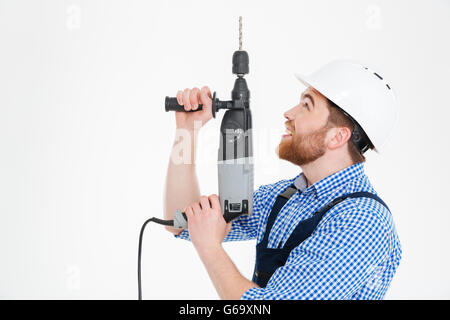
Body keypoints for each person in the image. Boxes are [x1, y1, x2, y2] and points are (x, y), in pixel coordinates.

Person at [163, 60, 402, 300]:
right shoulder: (285, 198)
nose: (288, 113)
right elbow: (181, 222)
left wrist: (210, 248)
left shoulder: (362, 222)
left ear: (338, 136)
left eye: (306, 106)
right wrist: (187, 131)